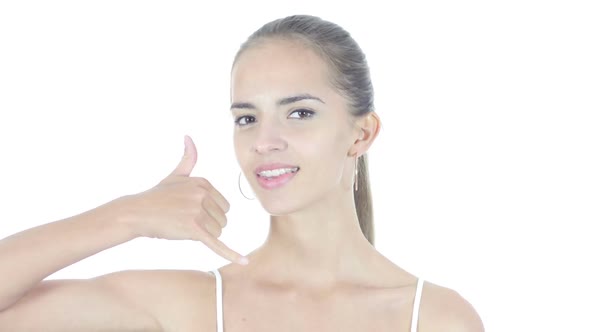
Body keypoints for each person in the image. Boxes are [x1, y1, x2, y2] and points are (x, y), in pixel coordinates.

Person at [0, 14, 484, 331]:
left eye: (299, 113)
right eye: (247, 118)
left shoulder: (435, 318)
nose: (264, 141)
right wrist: (127, 217)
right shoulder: (187, 306)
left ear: (361, 134)